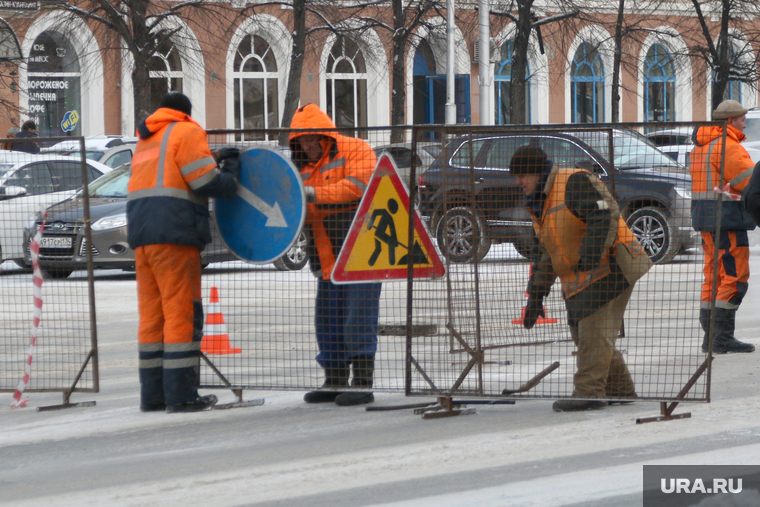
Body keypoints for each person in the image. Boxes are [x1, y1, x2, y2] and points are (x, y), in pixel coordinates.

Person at [510, 145, 652, 412]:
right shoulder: (540, 202)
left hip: (613, 263)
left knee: (592, 333)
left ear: (538, 172)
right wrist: (536, 296)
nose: (519, 182)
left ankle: (589, 392)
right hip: (584, 272)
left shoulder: (573, 181)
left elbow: (604, 214)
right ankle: (620, 390)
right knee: (584, 332)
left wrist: (591, 253)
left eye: (523, 175)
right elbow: (546, 253)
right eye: (516, 176)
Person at [127, 92, 240, 413]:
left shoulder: (148, 138)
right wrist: (230, 172)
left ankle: (153, 395)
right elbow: (204, 181)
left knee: (153, 314)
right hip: (175, 233)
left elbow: (173, 170)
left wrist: (213, 154)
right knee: (180, 311)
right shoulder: (187, 130)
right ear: (186, 113)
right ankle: (181, 395)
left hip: (143, 234)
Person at [289, 103, 381, 407]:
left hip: (361, 252)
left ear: (325, 136)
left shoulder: (356, 149)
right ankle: (335, 379)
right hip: (325, 254)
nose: (308, 146)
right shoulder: (299, 167)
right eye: (301, 141)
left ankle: (362, 382)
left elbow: (358, 186)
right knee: (327, 320)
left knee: (358, 317)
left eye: (312, 140)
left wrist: (313, 195)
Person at [690, 99, 756, 354]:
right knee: (734, 275)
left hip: (705, 218)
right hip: (727, 218)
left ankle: (711, 337)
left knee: (713, 276)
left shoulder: (701, 146)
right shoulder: (728, 147)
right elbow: (750, 182)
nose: (744, 123)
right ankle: (722, 338)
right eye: (741, 119)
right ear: (730, 121)